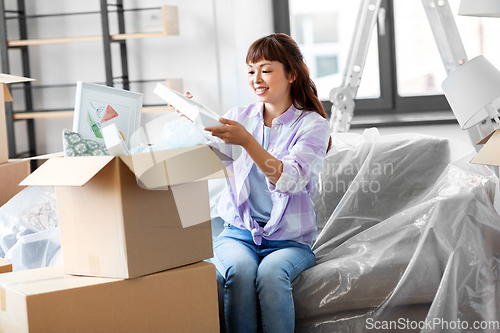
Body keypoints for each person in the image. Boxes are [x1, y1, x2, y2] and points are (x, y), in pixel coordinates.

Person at [197, 33, 331, 333]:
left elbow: (291, 179)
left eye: (266, 69)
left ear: (291, 74)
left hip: (289, 241)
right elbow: (207, 159)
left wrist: (247, 141)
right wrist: (193, 121)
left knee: (271, 273)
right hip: (238, 234)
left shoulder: (312, 125)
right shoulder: (238, 117)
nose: (256, 78)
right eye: (250, 70)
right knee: (240, 271)